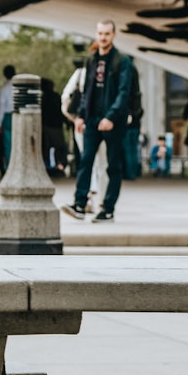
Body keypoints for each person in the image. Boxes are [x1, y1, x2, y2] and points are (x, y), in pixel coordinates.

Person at [61, 20, 133, 224]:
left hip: (113, 121)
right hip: (92, 119)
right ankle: (79, 204)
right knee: (86, 162)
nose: (103, 37)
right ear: (96, 34)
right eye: (100, 33)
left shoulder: (122, 61)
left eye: (107, 34)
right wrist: (81, 116)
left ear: (114, 35)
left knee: (113, 166)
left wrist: (111, 117)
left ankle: (108, 208)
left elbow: (123, 93)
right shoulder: (91, 59)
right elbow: (87, 91)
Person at [62, 54, 107, 211]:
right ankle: (101, 200)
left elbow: (66, 97)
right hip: (103, 122)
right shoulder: (108, 72)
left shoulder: (81, 73)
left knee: (87, 160)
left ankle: (89, 197)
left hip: (84, 123)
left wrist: (73, 118)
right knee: (102, 163)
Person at [0, 64, 15, 173]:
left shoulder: (5, 89)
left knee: (8, 143)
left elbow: (1, 106)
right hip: (19, 115)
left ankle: (10, 167)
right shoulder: (18, 86)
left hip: (7, 116)